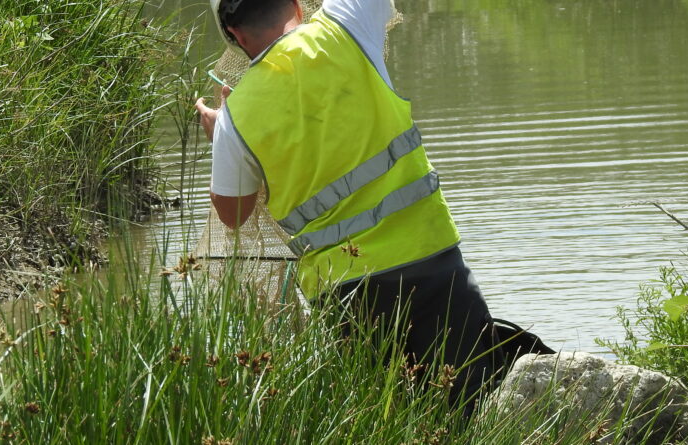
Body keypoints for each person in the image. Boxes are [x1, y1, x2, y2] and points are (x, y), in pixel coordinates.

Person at [194, 0, 503, 416]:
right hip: (430, 255)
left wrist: (221, 138)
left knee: (383, 418)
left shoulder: (236, 117)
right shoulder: (347, 22)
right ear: (298, 4)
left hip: (343, 291)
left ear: (234, 36)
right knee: (472, 402)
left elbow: (232, 215)